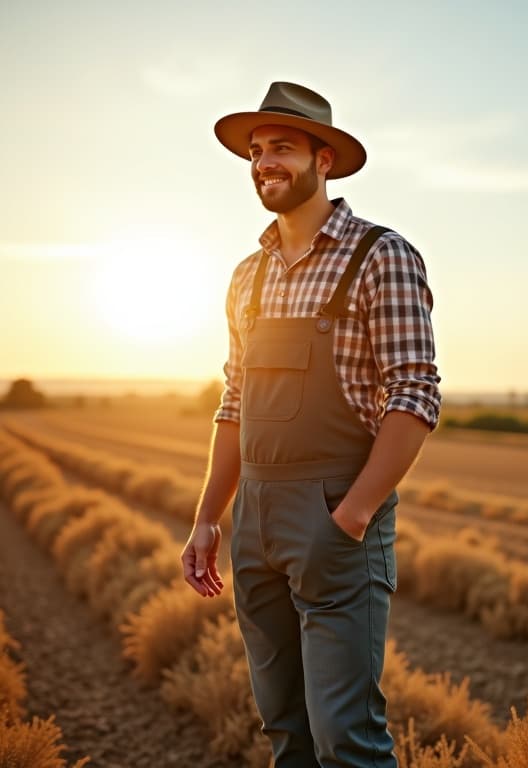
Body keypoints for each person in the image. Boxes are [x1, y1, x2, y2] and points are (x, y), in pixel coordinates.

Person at [178, 81, 441, 767]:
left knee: (344, 737)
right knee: (286, 732)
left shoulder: (380, 256)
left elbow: (414, 397)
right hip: (255, 520)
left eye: (283, 148)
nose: (265, 162)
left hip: (335, 512)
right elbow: (234, 402)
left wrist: (351, 518)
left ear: (324, 160)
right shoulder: (246, 277)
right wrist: (210, 517)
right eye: (257, 151)